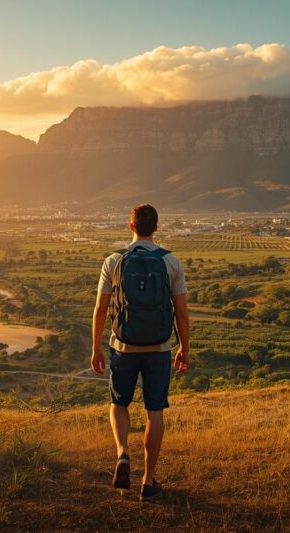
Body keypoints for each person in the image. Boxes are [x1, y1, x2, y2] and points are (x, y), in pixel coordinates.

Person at [91, 203, 190, 501]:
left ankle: (122, 453)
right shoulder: (171, 262)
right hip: (159, 348)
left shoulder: (114, 261)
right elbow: (182, 314)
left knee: (119, 404)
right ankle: (148, 481)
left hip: (123, 346)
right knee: (154, 411)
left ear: (130, 226)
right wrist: (185, 348)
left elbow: (100, 309)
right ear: (156, 228)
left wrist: (96, 348)